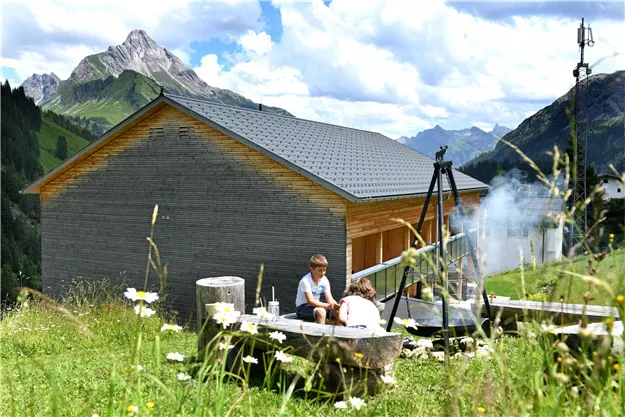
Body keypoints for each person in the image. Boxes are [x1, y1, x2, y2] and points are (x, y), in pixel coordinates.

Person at [295, 254, 339, 323]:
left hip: (317, 305)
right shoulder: (305, 281)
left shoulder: (324, 280)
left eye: (324, 270)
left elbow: (329, 298)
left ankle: (338, 333)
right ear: (311, 269)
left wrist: (336, 305)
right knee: (321, 312)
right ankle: (320, 333)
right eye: (320, 270)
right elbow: (311, 302)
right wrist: (328, 306)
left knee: (338, 312)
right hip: (302, 307)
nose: (323, 273)